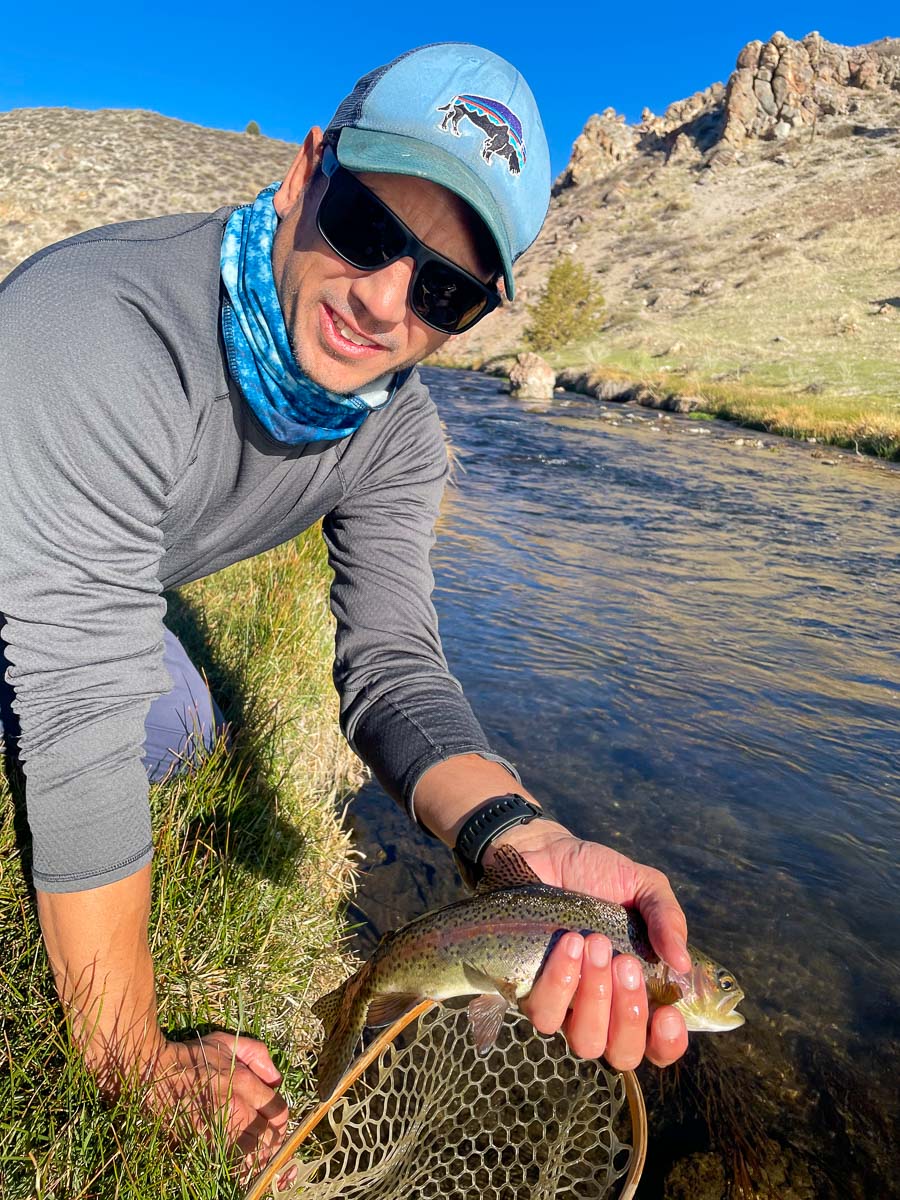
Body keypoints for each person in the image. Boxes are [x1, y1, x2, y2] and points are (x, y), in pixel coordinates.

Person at [0, 43, 690, 1170]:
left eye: (444, 288)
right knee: (95, 717)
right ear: (305, 172)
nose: (383, 300)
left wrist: (522, 842)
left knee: (175, 729)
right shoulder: (98, 325)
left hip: (69, 585)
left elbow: (394, 673)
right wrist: (124, 1053)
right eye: (369, 226)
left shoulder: (400, 437)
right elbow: (77, 695)